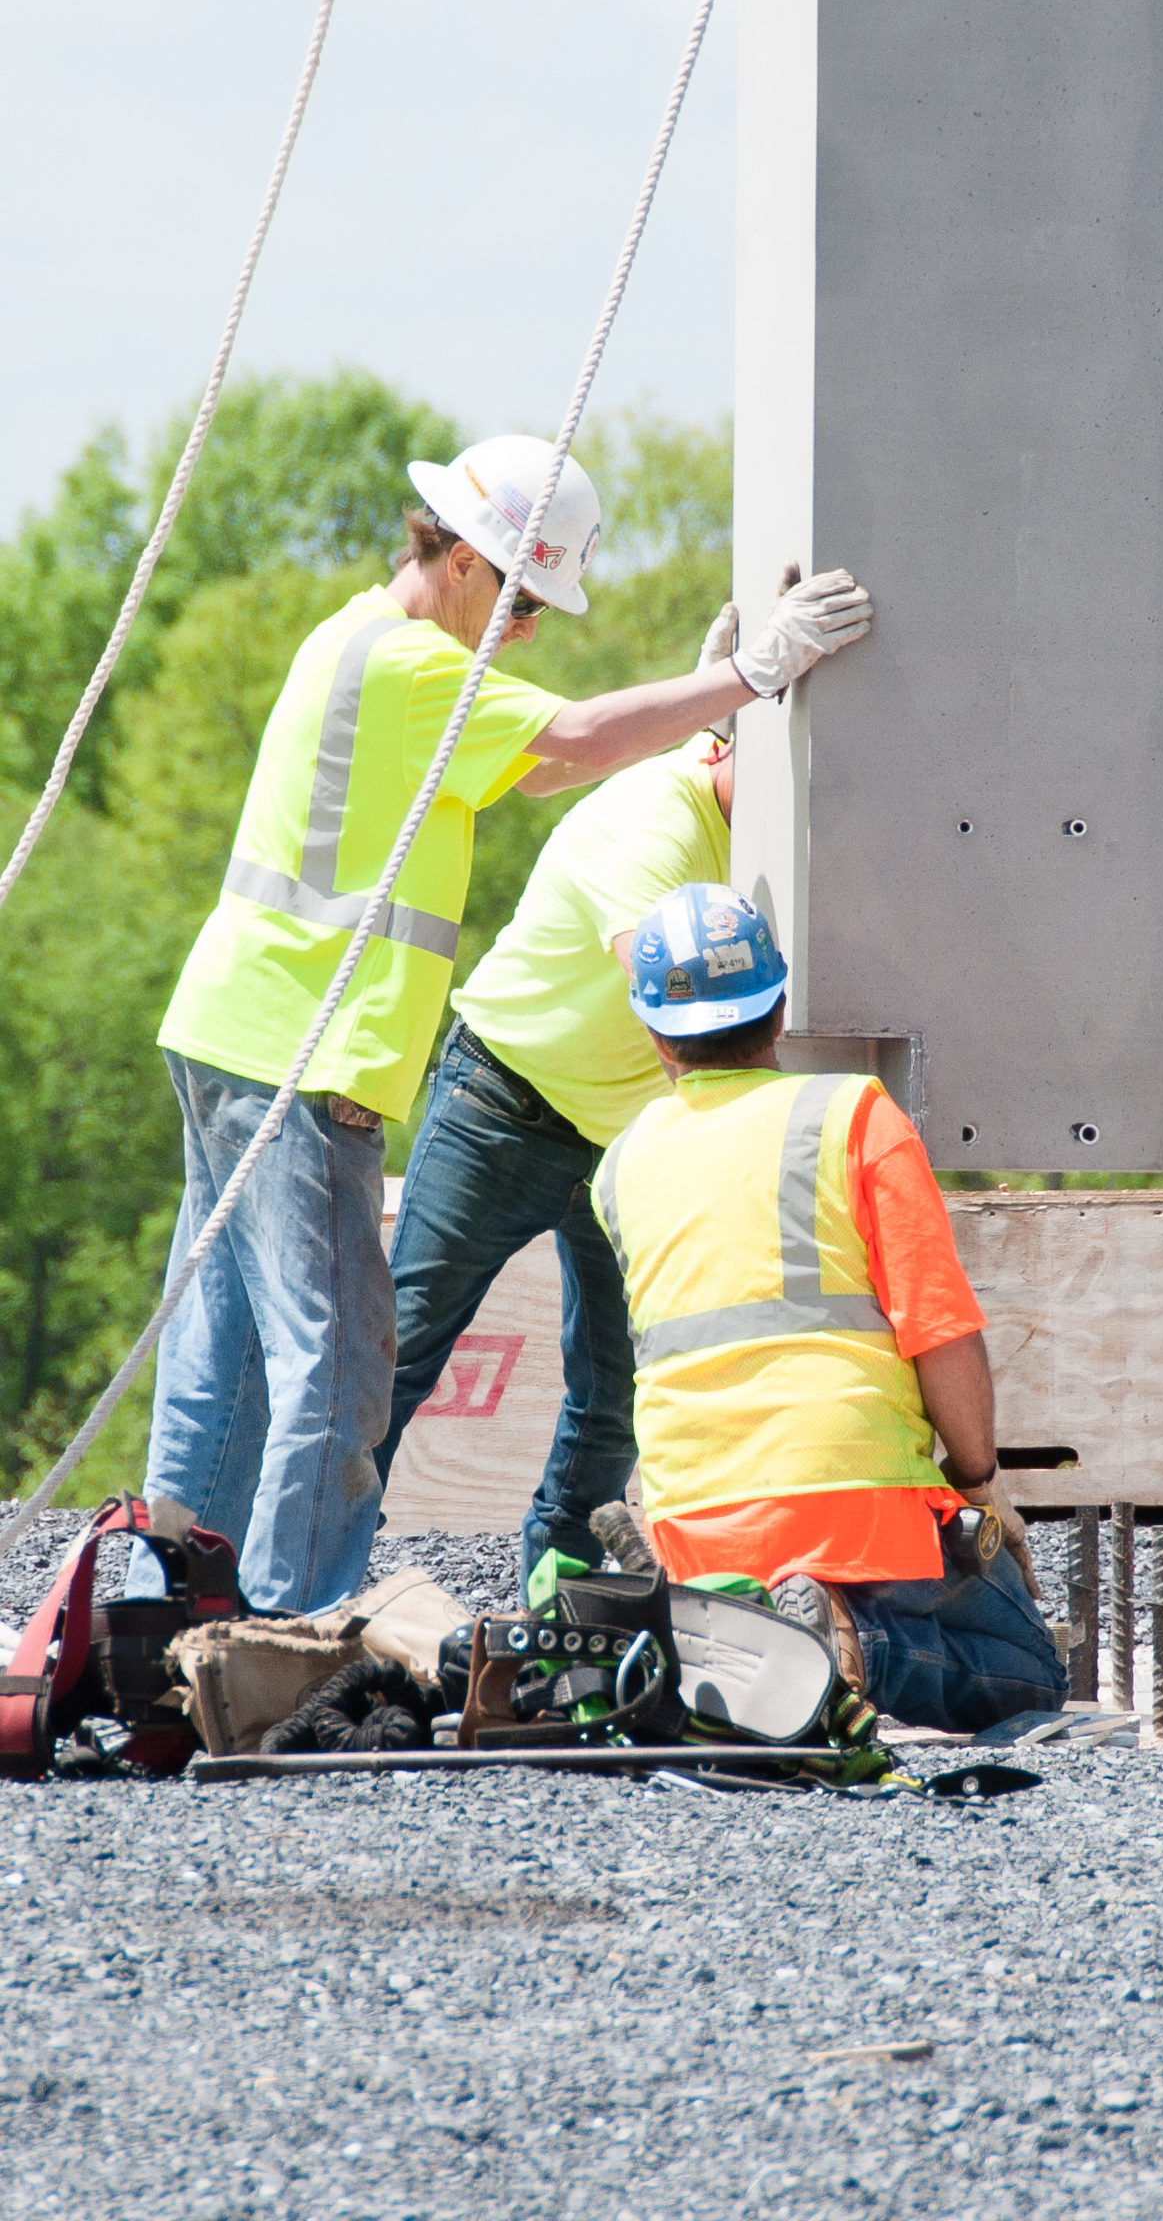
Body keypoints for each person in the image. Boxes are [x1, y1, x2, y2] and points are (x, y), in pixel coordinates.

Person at [134, 434, 871, 1612]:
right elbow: (570, 740)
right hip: (302, 1053)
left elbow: (535, 771)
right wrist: (751, 679)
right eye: (526, 603)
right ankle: (286, 1628)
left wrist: (702, 709)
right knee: (340, 1368)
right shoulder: (407, 664)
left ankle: (162, 1613)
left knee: (216, 1360)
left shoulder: (353, 644)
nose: (526, 630)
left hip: (239, 1028)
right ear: (472, 562)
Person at [376, 586, 836, 1597]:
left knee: (613, 1388)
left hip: (624, 1133)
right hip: (504, 1104)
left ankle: (562, 1583)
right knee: (398, 1354)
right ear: (726, 750)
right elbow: (677, 1005)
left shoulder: (768, 844)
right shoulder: (654, 821)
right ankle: (303, 1579)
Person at [589, 883, 1068, 1735]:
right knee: (1029, 1676)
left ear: (655, 1034)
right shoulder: (852, 1116)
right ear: (778, 1012)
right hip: (858, 1506)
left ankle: (725, 1636)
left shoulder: (620, 1165)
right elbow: (941, 1331)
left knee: (744, 1649)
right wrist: (979, 1487)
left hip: (690, 1522)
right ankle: (851, 1645)